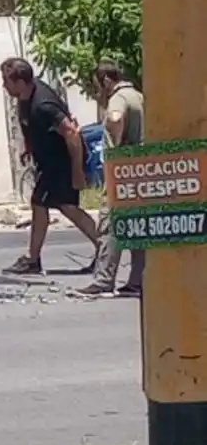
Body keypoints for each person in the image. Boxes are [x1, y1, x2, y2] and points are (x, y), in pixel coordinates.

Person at [0, 57, 101, 275]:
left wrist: (77, 171)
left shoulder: (44, 104)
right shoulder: (25, 98)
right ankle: (33, 259)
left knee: (66, 207)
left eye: (6, 81)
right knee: (43, 204)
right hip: (49, 163)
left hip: (62, 162)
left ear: (19, 82)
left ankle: (104, 250)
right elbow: (29, 126)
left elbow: (72, 133)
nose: (4, 85)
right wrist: (28, 148)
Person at [74, 60, 145, 298]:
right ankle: (137, 280)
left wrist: (115, 150)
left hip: (121, 173)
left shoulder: (118, 98)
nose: (98, 93)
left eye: (98, 86)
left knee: (109, 225)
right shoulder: (138, 95)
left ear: (106, 80)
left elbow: (115, 118)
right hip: (140, 172)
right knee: (137, 228)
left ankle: (104, 279)